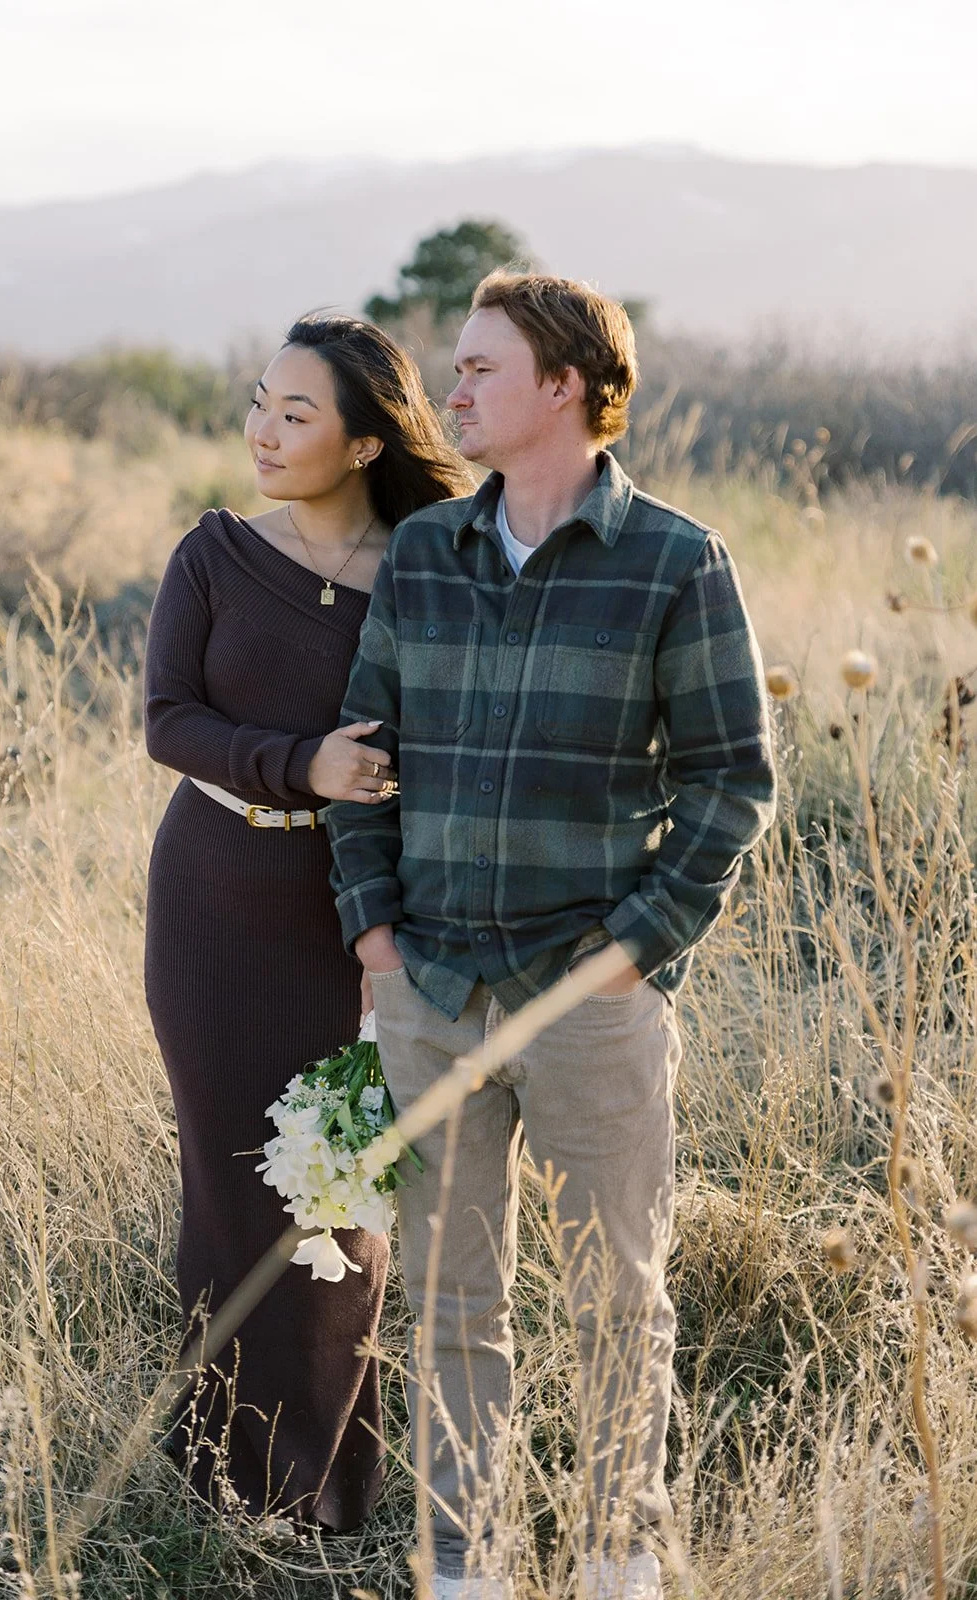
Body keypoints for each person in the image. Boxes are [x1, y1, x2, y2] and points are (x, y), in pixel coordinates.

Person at [327, 273, 776, 1597]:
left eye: (476, 369)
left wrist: (630, 953)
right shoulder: (422, 556)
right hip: (432, 992)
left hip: (589, 1002)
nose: (449, 390)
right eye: (453, 368)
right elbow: (361, 763)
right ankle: (461, 1571)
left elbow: (729, 780)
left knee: (613, 1301)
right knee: (450, 1306)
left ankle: (613, 1564)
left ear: (564, 386)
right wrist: (375, 945)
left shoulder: (674, 562)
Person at [143, 313, 471, 1528]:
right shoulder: (217, 553)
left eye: (296, 414)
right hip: (211, 902)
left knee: (338, 1190)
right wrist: (298, 763)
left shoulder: (427, 572)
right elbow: (167, 721)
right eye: (259, 404)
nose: (263, 433)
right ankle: (225, 1486)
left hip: (350, 918)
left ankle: (326, 1486)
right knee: (231, 1188)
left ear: (365, 440)